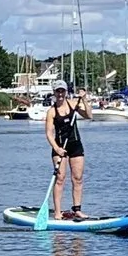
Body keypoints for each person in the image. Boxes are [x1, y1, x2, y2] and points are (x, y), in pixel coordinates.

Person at [44, 81, 89, 220]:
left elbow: (89, 115)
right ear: (54, 93)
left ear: (66, 92)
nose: (60, 94)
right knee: (60, 179)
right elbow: (49, 133)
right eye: (58, 91)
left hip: (75, 144)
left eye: (62, 91)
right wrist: (57, 148)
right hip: (59, 147)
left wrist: (85, 99)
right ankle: (57, 212)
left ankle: (77, 209)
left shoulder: (74, 104)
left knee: (78, 178)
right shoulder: (51, 111)